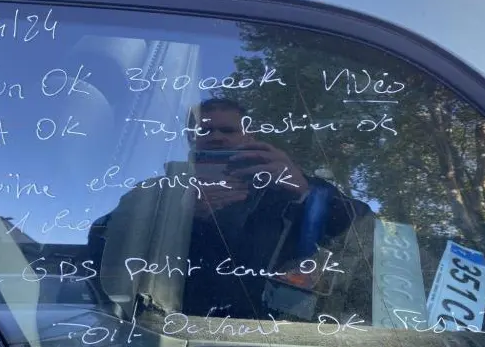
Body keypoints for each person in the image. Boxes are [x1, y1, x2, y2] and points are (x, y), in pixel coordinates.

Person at [87, 97, 373, 321]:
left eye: (228, 130)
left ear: (250, 136)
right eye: (205, 130)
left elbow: (364, 231)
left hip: (276, 341)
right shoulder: (157, 193)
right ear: (191, 139)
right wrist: (178, 215)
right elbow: (102, 242)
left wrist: (304, 192)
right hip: (171, 333)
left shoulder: (291, 186)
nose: (216, 137)